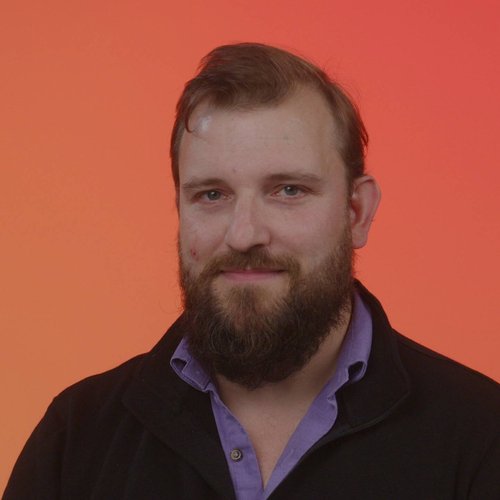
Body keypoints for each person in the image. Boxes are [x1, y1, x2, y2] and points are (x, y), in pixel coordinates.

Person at [4, 43, 499, 500]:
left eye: (288, 190)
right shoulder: (77, 438)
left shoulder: (483, 436)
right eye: (212, 194)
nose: (243, 235)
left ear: (356, 213)